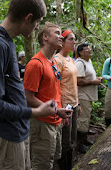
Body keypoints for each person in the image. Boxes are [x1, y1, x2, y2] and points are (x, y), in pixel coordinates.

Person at [0, 0, 57, 170]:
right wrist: (35, 112)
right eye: (37, 22)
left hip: (16, 134)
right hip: (5, 139)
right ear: (28, 18)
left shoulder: (7, 43)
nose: (37, 27)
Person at [23, 22, 73, 170]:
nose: (61, 37)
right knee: (41, 164)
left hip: (55, 121)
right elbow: (28, 98)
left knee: (53, 159)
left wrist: (60, 114)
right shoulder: (35, 64)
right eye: (57, 33)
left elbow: (53, 92)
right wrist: (56, 111)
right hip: (41, 123)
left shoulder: (53, 63)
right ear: (45, 37)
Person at [54, 30, 80, 169]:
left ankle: (70, 165)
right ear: (62, 42)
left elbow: (73, 83)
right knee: (65, 141)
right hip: (65, 106)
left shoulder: (71, 59)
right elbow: (56, 86)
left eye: (74, 39)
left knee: (72, 139)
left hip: (74, 104)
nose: (74, 42)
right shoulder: (58, 60)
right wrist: (61, 109)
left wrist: (78, 103)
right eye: (71, 39)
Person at [75, 43, 102, 153]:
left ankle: (84, 139)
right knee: (82, 120)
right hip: (83, 96)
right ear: (80, 52)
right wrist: (93, 82)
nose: (90, 50)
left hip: (89, 95)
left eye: (90, 48)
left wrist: (97, 79)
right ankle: (79, 144)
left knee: (86, 119)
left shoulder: (88, 61)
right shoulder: (80, 63)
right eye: (87, 49)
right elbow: (78, 81)